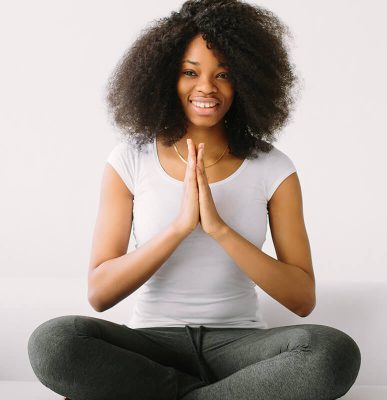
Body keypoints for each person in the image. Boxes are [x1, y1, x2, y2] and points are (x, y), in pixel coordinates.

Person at [27, 1, 361, 399]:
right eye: (190, 72)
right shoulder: (129, 160)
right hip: (152, 347)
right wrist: (180, 227)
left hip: (239, 347)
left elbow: (303, 299)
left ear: (246, 82)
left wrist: (219, 229)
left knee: (332, 352)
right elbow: (100, 294)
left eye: (224, 74)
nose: (207, 87)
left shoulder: (274, 167)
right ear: (166, 77)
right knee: (53, 342)